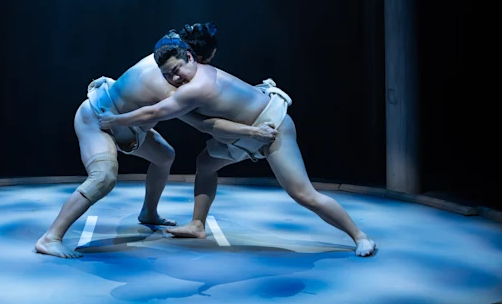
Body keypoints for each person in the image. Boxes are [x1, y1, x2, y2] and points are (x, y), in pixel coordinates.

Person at [98, 31, 377, 257]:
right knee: (205, 163)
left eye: (178, 69)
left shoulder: (197, 87)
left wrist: (115, 119)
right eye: (168, 75)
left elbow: (155, 112)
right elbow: (207, 124)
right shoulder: (197, 75)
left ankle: (360, 236)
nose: (175, 78)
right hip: (249, 132)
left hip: (273, 127)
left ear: (191, 57)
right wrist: (249, 132)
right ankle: (197, 225)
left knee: (303, 194)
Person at [35, 23, 274, 259]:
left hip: (128, 127)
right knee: (103, 178)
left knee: (164, 156)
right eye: (206, 63)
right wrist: (251, 128)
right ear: (193, 57)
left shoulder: (168, 59)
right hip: (99, 120)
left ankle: (149, 213)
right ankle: (50, 238)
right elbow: (204, 123)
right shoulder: (171, 83)